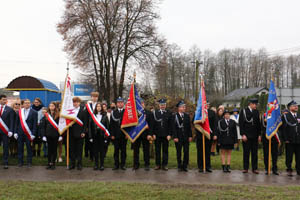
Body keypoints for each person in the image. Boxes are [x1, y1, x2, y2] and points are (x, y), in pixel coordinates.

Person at [239, 98, 261, 174]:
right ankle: (245, 168)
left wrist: (259, 135)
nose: (256, 106)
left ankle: (254, 168)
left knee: (255, 153)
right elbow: (241, 124)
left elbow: (258, 124)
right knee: (246, 152)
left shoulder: (257, 112)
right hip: (246, 136)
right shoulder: (244, 111)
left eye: (256, 104)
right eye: (255, 104)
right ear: (250, 104)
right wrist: (243, 134)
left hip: (255, 135)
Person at [14, 99, 38, 167]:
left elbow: (34, 124)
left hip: (29, 133)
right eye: (25, 103)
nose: (27, 104)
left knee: (29, 148)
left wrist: (33, 134)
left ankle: (29, 162)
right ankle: (20, 162)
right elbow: (16, 123)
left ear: (30, 104)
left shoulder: (34, 112)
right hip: (20, 132)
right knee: (20, 148)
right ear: (23, 104)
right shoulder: (19, 112)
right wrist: (15, 132)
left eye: (28, 103)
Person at [152, 99, 172, 171]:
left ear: (165, 105)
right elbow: (153, 125)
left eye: (164, 105)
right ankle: (157, 164)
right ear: (159, 105)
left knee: (165, 150)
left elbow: (171, 125)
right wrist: (153, 134)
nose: (162, 106)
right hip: (157, 135)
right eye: (161, 105)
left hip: (166, 135)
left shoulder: (169, 113)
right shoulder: (155, 113)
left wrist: (169, 134)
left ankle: (164, 165)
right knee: (157, 151)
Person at [132, 99, 152, 171]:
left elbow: (151, 125)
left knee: (146, 150)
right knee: (136, 150)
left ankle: (147, 164)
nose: (141, 105)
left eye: (142, 103)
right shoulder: (134, 113)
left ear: (144, 104)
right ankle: (136, 164)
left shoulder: (148, 113)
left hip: (146, 135)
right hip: (136, 135)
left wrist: (150, 134)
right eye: (140, 103)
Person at [88, 103, 109, 170]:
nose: (99, 107)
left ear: (102, 108)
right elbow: (90, 127)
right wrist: (90, 137)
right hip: (95, 136)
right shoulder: (92, 116)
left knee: (102, 151)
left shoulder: (105, 116)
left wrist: (106, 137)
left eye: (100, 106)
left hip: (102, 136)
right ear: (96, 107)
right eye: (97, 106)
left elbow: (107, 127)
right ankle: (96, 165)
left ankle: (102, 165)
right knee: (95, 151)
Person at [172, 100, 192, 172]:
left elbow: (189, 127)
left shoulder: (187, 116)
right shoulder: (175, 116)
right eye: (183, 107)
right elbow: (173, 127)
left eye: (184, 107)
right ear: (179, 108)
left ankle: (185, 165)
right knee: (179, 152)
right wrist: (175, 137)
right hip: (178, 137)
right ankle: (179, 165)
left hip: (186, 137)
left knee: (186, 151)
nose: (184, 108)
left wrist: (190, 136)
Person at [282, 100, 300, 176]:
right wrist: (285, 139)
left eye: (297, 106)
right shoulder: (286, 116)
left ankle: (298, 169)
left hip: (298, 139)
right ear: (290, 107)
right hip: (289, 139)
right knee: (289, 155)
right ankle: (289, 169)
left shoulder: (299, 115)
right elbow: (283, 129)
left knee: (299, 156)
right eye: (294, 106)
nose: (296, 107)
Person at [41, 102, 61, 170]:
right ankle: (49, 163)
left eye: (52, 106)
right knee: (49, 149)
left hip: (55, 135)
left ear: (55, 107)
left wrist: (60, 135)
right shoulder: (46, 115)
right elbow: (43, 126)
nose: (51, 107)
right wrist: (43, 135)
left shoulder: (58, 115)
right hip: (48, 135)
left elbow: (61, 126)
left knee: (54, 149)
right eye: (50, 106)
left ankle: (53, 163)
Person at [110, 97, 127, 170]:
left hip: (124, 135)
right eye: (119, 102)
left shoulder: (126, 112)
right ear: (117, 104)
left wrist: (127, 134)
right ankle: (116, 164)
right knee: (116, 150)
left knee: (123, 151)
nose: (120, 104)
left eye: (121, 102)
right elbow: (111, 125)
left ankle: (123, 164)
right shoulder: (113, 112)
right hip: (116, 135)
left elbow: (129, 124)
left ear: (123, 103)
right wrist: (112, 134)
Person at [69, 97, 86, 170]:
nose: (75, 103)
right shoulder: (70, 111)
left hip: (80, 133)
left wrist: (84, 132)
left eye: (77, 102)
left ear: (79, 103)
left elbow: (85, 123)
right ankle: (72, 164)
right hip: (71, 132)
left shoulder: (83, 111)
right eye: (74, 102)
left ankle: (79, 164)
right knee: (72, 149)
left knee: (79, 149)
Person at [0, 94, 15, 169]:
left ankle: (5, 162)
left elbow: (12, 121)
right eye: (3, 99)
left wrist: (11, 131)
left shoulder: (10, 109)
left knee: (6, 147)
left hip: (5, 132)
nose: (5, 101)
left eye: (5, 99)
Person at [84, 92, 99, 161]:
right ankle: (90, 157)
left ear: (97, 98)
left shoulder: (99, 105)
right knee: (89, 142)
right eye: (93, 96)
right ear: (91, 97)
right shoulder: (88, 105)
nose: (94, 98)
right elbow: (86, 116)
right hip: (89, 126)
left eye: (96, 97)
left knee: (96, 142)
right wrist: (86, 126)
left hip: (97, 125)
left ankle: (96, 156)